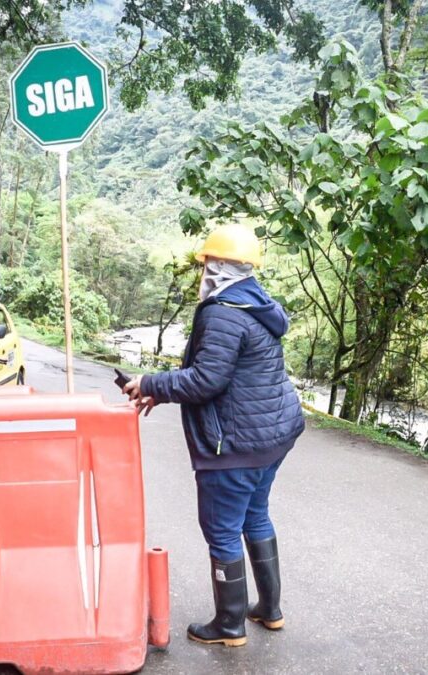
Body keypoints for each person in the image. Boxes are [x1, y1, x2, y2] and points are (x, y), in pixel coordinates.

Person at [123, 224, 304, 647]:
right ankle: (269, 609)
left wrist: (150, 382)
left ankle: (229, 624)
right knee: (255, 515)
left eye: (206, 264)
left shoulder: (222, 311)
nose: (202, 272)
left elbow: (206, 381)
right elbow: (221, 374)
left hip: (237, 444)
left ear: (217, 267)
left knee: (222, 529)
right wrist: (159, 391)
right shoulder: (258, 303)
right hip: (273, 436)